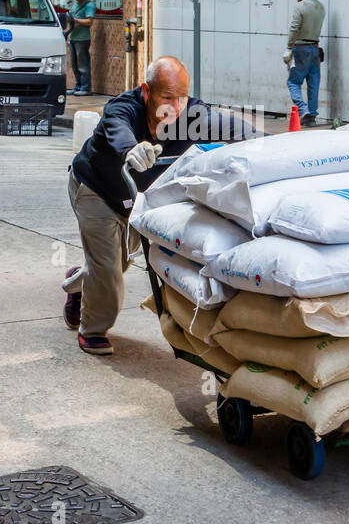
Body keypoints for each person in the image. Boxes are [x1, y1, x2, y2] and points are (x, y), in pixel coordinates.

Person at [63, 56, 253, 356]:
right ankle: (93, 329)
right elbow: (117, 127)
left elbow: (228, 126)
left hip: (139, 198)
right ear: (146, 91)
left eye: (181, 98)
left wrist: (265, 142)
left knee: (116, 264)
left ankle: (79, 283)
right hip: (96, 190)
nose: (174, 108)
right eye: (166, 97)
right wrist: (132, 149)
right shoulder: (123, 108)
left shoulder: (193, 115)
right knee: (109, 272)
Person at [284, 0, 326, 126]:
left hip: (300, 48)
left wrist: (289, 48)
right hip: (315, 48)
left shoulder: (299, 7)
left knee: (293, 82)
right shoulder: (321, 7)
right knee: (313, 83)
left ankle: (303, 109)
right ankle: (312, 117)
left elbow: (295, 28)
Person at [65, 0, 94, 96]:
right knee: (75, 64)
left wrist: (76, 20)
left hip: (82, 39)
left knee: (83, 64)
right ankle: (78, 86)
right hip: (73, 37)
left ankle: (85, 87)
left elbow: (90, 21)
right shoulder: (75, 4)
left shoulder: (89, 5)